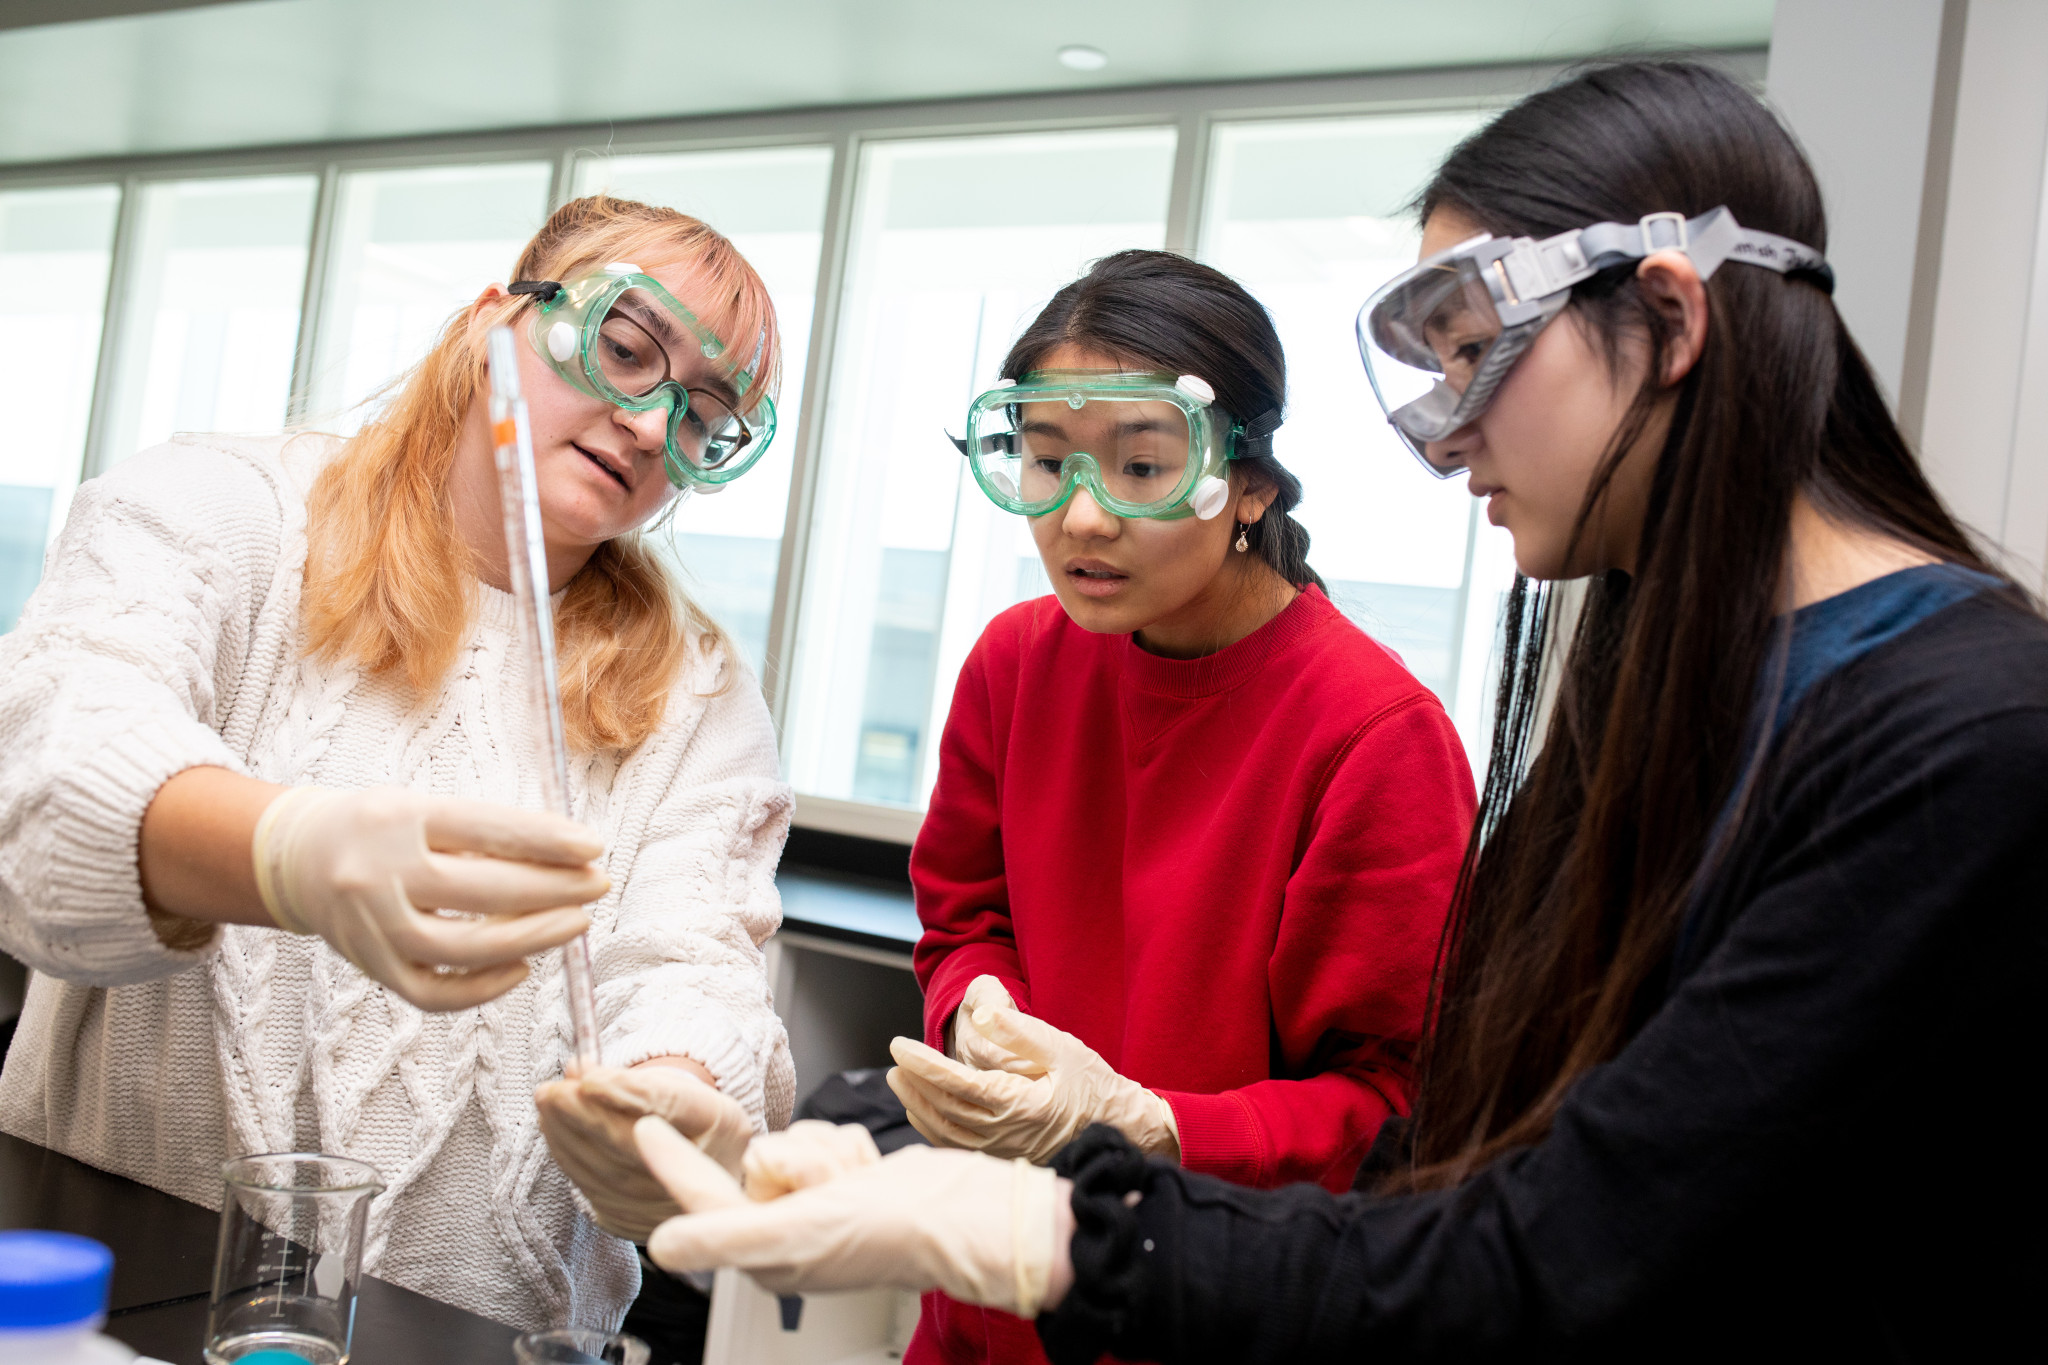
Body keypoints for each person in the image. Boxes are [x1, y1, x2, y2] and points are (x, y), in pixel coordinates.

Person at [613, 61, 2048, 1361]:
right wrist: (986, 1048)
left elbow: (1542, 1233)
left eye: (1479, 352)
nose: (1448, 439)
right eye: (1045, 459)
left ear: (1668, 317)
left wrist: (1077, 1202)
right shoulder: (1670, 684)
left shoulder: (1960, 740)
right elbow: (1505, 1164)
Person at [0, 195, 797, 1332]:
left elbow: (689, 954)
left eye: (702, 415)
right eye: (626, 350)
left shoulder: (695, 691)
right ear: (489, 326)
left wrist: (675, 1097)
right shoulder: (228, 512)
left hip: (475, 1334)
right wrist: (281, 853)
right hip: (115, 1286)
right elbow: (44, 759)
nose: (644, 422)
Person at [880, 248, 1476, 1364]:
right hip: (990, 1294)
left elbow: (1392, 1106)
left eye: (1140, 467)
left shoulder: (1373, 736)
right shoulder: (1014, 663)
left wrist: (1148, 1123)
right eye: (1046, 463)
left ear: (1249, 486)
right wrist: (978, 1013)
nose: (1080, 517)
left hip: (1212, 1302)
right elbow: (963, 919)